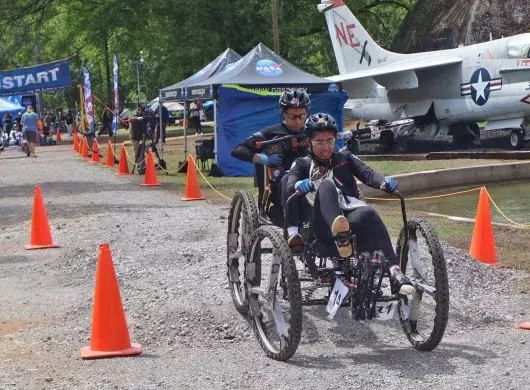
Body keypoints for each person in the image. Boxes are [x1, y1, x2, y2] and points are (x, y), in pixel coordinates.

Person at [284, 113, 414, 295]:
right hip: (321, 227)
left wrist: (383, 182)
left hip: (349, 215)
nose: (325, 147)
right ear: (308, 142)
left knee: (368, 212)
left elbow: (367, 173)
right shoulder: (302, 163)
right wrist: (298, 184)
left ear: (335, 139)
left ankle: (394, 271)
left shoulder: (345, 158)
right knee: (326, 185)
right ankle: (340, 234)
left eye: (329, 141)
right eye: (319, 142)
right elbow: (290, 183)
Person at [231, 88, 311, 221]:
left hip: (308, 182)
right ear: (283, 113)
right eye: (292, 117)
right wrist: (262, 158)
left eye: (301, 116)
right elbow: (237, 150)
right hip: (280, 188)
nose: (297, 121)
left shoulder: (312, 131)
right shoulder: (271, 133)